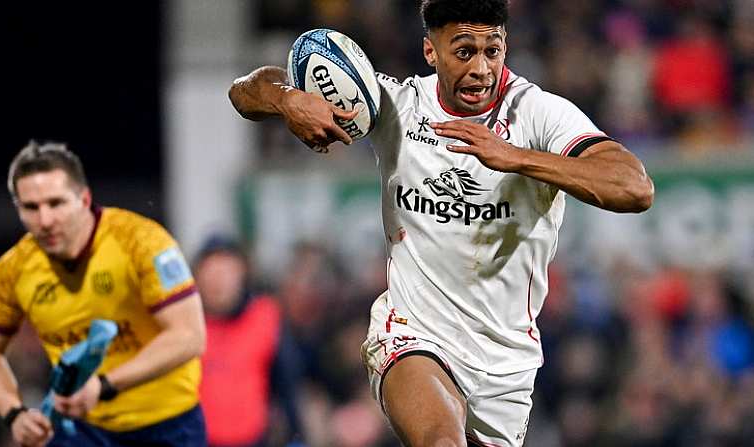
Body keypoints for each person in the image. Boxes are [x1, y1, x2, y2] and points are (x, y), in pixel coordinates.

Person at [228, 0, 655, 445]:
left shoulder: (539, 114)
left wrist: (518, 159)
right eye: (464, 51)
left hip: (506, 365)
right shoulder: (398, 106)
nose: (482, 68)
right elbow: (244, 90)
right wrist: (288, 99)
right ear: (431, 51)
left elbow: (634, 187)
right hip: (414, 334)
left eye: (493, 50)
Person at [0, 141, 207, 447]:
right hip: (81, 429)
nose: (45, 220)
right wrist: (13, 414)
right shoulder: (13, 269)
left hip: (168, 424)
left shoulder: (142, 242)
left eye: (56, 203)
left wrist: (104, 385)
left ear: (84, 199)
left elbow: (189, 335)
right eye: (31, 207)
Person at [193, 234, 305, 446]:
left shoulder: (265, 317)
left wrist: (296, 437)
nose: (218, 282)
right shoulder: (186, 324)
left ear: (242, 274)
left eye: (226, 272)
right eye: (210, 273)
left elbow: (288, 387)